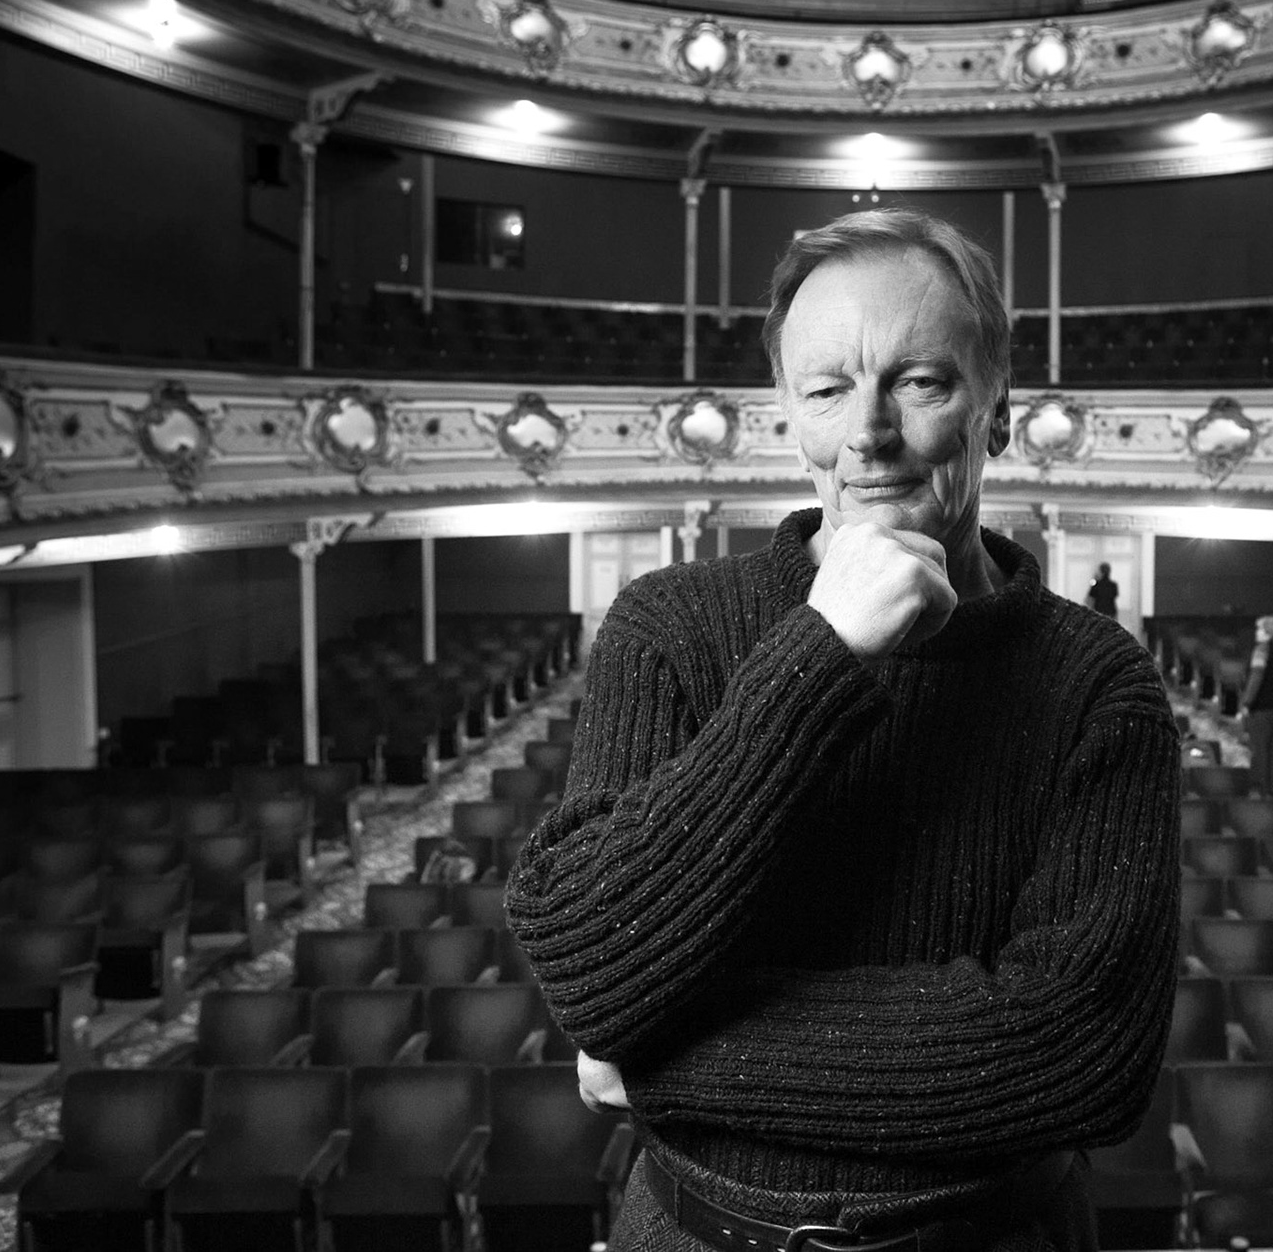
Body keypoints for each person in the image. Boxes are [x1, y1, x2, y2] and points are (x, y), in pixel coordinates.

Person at [505, 208, 1181, 1252]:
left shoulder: (1101, 685)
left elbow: (1083, 1058)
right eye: (827, 389)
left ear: (999, 411)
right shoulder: (667, 623)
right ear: (791, 416)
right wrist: (818, 653)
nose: (866, 432)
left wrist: (657, 1055)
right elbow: (594, 962)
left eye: (921, 381)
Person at [1238, 614, 1273, 798]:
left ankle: (1258, 792)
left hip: (1262, 710)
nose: (1256, 632)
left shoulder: (1261, 652)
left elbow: (1256, 679)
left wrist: (1246, 703)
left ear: (1268, 633)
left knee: (1259, 752)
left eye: (1260, 629)